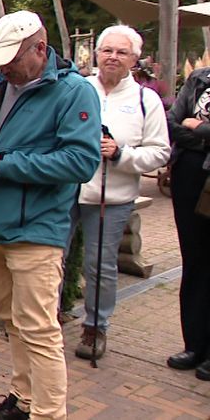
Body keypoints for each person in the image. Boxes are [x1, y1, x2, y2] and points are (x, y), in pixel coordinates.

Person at [0, 11, 101, 420]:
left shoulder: (75, 92)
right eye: (0, 60)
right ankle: (22, 401)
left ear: (40, 49)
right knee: (12, 320)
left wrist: (1, 164)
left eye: (13, 59)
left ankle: (47, 413)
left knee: (39, 330)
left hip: (36, 229)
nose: (5, 68)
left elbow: (80, 161)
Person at [69, 26, 169, 360]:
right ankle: (47, 321)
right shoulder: (76, 88)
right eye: (106, 50)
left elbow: (160, 152)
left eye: (121, 52)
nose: (112, 57)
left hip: (110, 198)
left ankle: (95, 327)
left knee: (100, 265)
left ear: (134, 59)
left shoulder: (146, 99)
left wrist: (120, 153)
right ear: (95, 53)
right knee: (52, 258)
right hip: (66, 189)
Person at [164, 63, 210, 381]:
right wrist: (194, 133)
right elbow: (171, 123)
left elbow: (188, 127)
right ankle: (195, 345)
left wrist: (198, 128)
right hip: (189, 178)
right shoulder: (199, 77)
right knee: (194, 261)